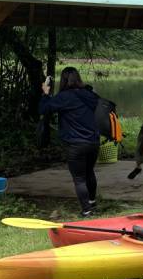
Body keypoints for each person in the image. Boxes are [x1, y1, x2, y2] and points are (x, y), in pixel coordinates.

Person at [38, 67, 100, 216]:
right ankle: (91, 201)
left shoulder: (64, 97)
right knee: (89, 172)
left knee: (79, 179)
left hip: (75, 144)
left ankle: (86, 211)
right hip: (93, 142)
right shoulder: (89, 94)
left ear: (64, 80)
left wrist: (45, 93)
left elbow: (44, 109)